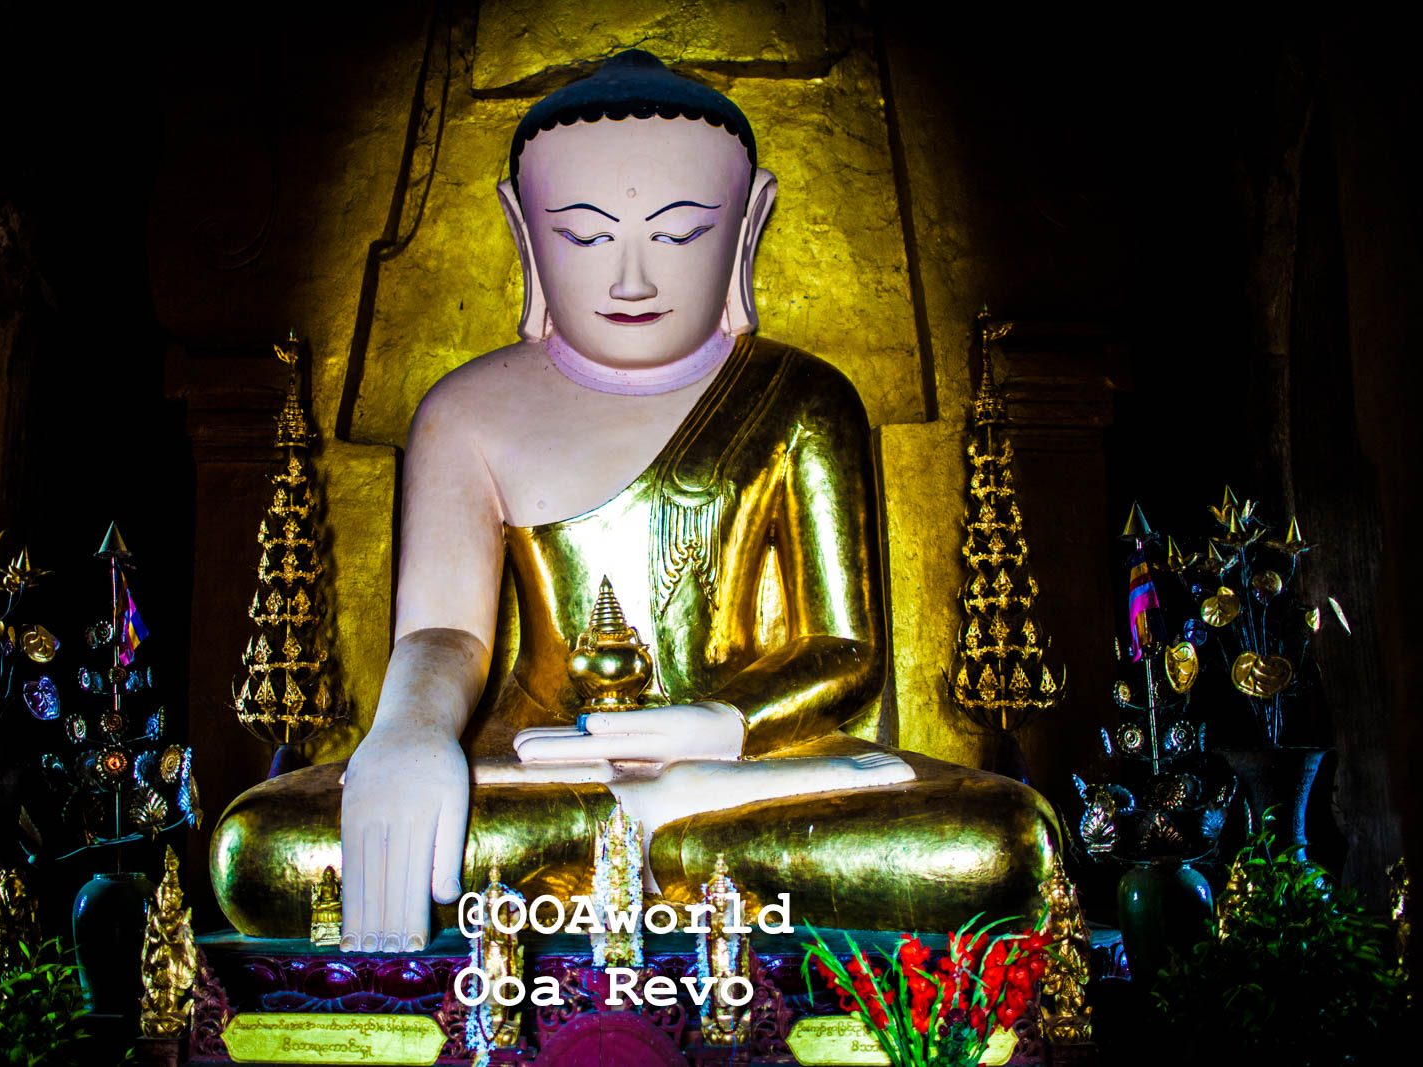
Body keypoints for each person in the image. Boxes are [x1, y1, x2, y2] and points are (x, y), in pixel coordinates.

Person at [210, 52, 1054, 952]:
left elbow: (841, 649)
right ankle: (660, 841)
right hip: (534, 774)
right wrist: (411, 735)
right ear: (524, 234)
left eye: (683, 232)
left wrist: (721, 724)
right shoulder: (467, 413)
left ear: (748, 223)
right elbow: (443, 632)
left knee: (997, 842)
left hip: (756, 774)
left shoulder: (802, 401)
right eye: (582, 234)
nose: (632, 280)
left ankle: (655, 833)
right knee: (262, 848)